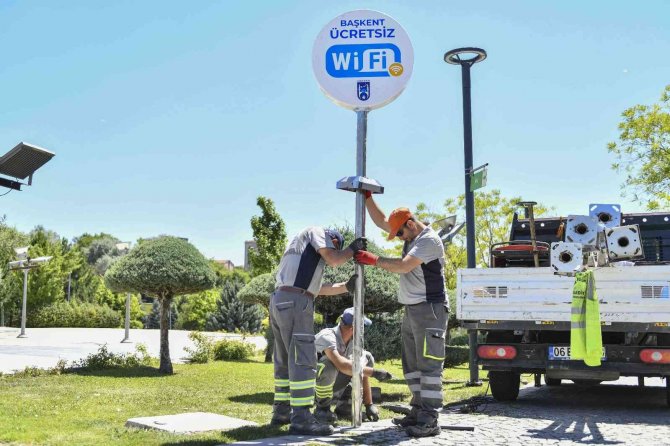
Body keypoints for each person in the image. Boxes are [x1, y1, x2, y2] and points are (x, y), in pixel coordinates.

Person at [354, 195, 447, 438]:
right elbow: (382, 221)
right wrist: (367, 198)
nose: (399, 238)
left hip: (430, 309)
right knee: (413, 365)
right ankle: (418, 411)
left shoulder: (428, 241)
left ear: (411, 224)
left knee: (429, 365)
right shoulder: (410, 232)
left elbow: (404, 265)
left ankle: (430, 419)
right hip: (413, 308)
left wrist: (374, 260)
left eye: (400, 234)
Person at [269, 226, 366, 436]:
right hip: (297, 302)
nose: (334, 250)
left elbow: (318, 288)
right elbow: (334, 259)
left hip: (280, 300)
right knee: (303, 359)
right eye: (336, 245)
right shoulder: (317, 232)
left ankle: (282, 411)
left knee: (284, 359)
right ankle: (302, 418)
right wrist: (352, 249)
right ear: (333, 239)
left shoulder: (301, 252)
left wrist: (345, 286)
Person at [313, 307, 393, 424]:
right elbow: (341, 364)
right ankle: (322, 409)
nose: (363, 331)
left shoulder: (353, 342)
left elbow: (360, 371)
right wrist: (375, 372)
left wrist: (369, 404)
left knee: (366, 358)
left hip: (333, 383)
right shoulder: (327, 336)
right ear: (354, 328)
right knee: (328, 364)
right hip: (311, 388)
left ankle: (345, 406)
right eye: (362, 327)